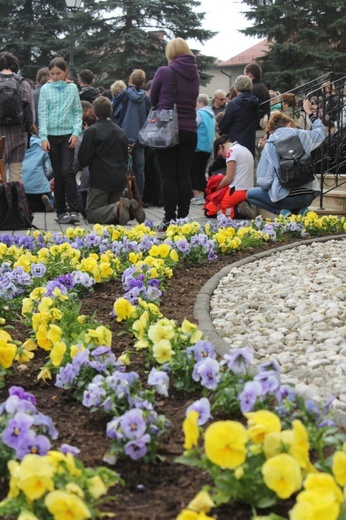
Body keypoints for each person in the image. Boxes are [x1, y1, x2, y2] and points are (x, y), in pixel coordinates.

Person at [149, 37, 200, 231]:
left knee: (167, 175)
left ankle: (169, 219)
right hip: (189, 130)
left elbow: (152, 99)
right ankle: (184, 218)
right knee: (183, 174)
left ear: (170, 53)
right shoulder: (195, 75)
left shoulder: (164, 71)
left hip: (166, 129)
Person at [247, 99, 327, 217]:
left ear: (272, 129)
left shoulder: (270, 144)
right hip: (309, 195)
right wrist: (309, 113)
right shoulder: (303, 135)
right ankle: (302, 210)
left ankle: (283, 212)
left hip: (285, 198)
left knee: (250, 194)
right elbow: (322, 132)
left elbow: (264, 181)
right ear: (289, 124)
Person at [77, 96, 145, 225]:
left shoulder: (92, 131)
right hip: (118, 180)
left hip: (99, 180)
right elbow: (126, 158)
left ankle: (118, 207)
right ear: (111, 111)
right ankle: (127, 209)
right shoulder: (121, 132)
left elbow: (83, 159)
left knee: (92, 214)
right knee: (112, 217)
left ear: (94, 112)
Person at [38, 57, 83, 225]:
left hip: (67, 135)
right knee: (58, 174)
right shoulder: (45, 89)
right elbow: (42, 114)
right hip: (52, 136)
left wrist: (76, 133)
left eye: (58, 73)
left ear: (65, 72)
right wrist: (43, 137)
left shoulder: (72, 88)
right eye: (52, 73)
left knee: (68, 171)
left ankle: (74, 209)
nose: (55, 76)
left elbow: (77, 112)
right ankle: (61, 210)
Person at [112, 69, 150, 203]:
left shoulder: (123, 95)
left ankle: (121, 198)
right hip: (140, 139)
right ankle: (139, 197)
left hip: (123, 137)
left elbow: (115, 114)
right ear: (143, 83)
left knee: (122, 168)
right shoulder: (146, 98)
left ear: (130, 80)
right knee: (139, 170)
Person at [0, 51, 36, 182]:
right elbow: (30, 117)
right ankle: (15, 202)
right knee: (16, 178)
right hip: (18, 136)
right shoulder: (23, 84)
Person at [204, 134, 255, 219]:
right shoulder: (244, 149)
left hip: (236, 190)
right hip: (247, 189)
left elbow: (229, 178)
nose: (223, 157)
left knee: (209, 211)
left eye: (220, 154)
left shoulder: (231, 152)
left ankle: (238, 210)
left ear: (220, 147)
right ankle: (239, 206)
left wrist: (216, 188)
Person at [218, 75, 259, 157]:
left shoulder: (233, 104)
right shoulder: (256, 102)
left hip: (234, 143)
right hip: (249, 143)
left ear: (236, 88)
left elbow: (224, 125)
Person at [190, 93, 215, 204]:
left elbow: (193, 126)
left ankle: (197, 195)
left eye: (196, 103)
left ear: (201, 103)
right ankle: (203, 195)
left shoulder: (200, 113)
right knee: (201, 172)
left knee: (193, 171)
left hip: (198, 146)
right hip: (207, 147)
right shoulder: (211, 115)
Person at [22, 134, 54, 213]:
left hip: (21, 186)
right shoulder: (42, 144)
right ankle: (49, 201)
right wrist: (44, 178)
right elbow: (49, 169)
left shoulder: (17, 143)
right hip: (39, 187)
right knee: (49, 200)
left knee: (27, 204)